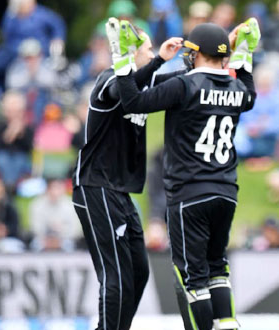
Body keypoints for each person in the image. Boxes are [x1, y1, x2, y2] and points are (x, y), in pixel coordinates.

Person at [108, 18, 259, 330]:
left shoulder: (184, 86)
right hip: (226, 193)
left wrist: (122, 61)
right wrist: (243, 53)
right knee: (217, 268)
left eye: (192, 51)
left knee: (192, 277)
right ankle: (228, 325)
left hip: (189, 193)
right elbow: (249, 91)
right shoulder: (237, 87)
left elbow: (132, 101)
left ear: (199, 54)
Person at [71, 25, 182, 330]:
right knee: (116, 276)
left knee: (138, 272)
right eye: (148, 49)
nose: (153, 53)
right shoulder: (109, 79)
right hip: (96, 187)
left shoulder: (139, 83)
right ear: (132, 53)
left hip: (118, 192)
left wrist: (201, 61)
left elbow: (174, 82)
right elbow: (122, 89)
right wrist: (156, 62)